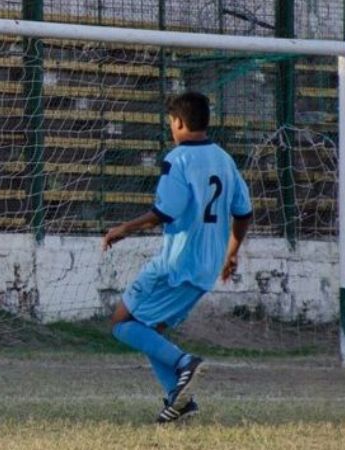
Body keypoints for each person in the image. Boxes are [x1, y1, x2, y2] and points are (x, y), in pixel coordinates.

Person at [102, 91, 252, 423]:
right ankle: (178, 399)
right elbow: (244, 212)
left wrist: (124, 228)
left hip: (175, 263)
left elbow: (164, 212)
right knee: (150, 327)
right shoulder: (225, 159)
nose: (171, 127)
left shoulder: (178, 158)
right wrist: (232, 253)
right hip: (207, 266)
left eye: (171, 121)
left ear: (179, 122)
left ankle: (185, 363)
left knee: (121, 323)